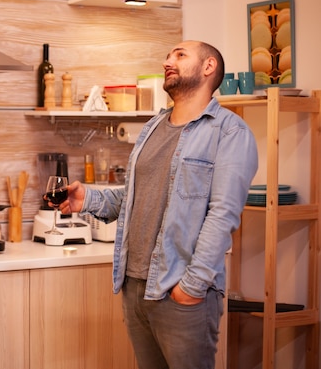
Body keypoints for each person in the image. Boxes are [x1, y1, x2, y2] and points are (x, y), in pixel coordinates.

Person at [57, 41, 258, 369]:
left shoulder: (231, 133)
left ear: (208, 67)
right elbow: (135, 197)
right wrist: (89, 199)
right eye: (168, 55)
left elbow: (223, 215)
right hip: (135, 288)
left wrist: (191, 287)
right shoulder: (153, 127)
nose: (168, 60)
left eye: (180, 55)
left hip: (181, 293)